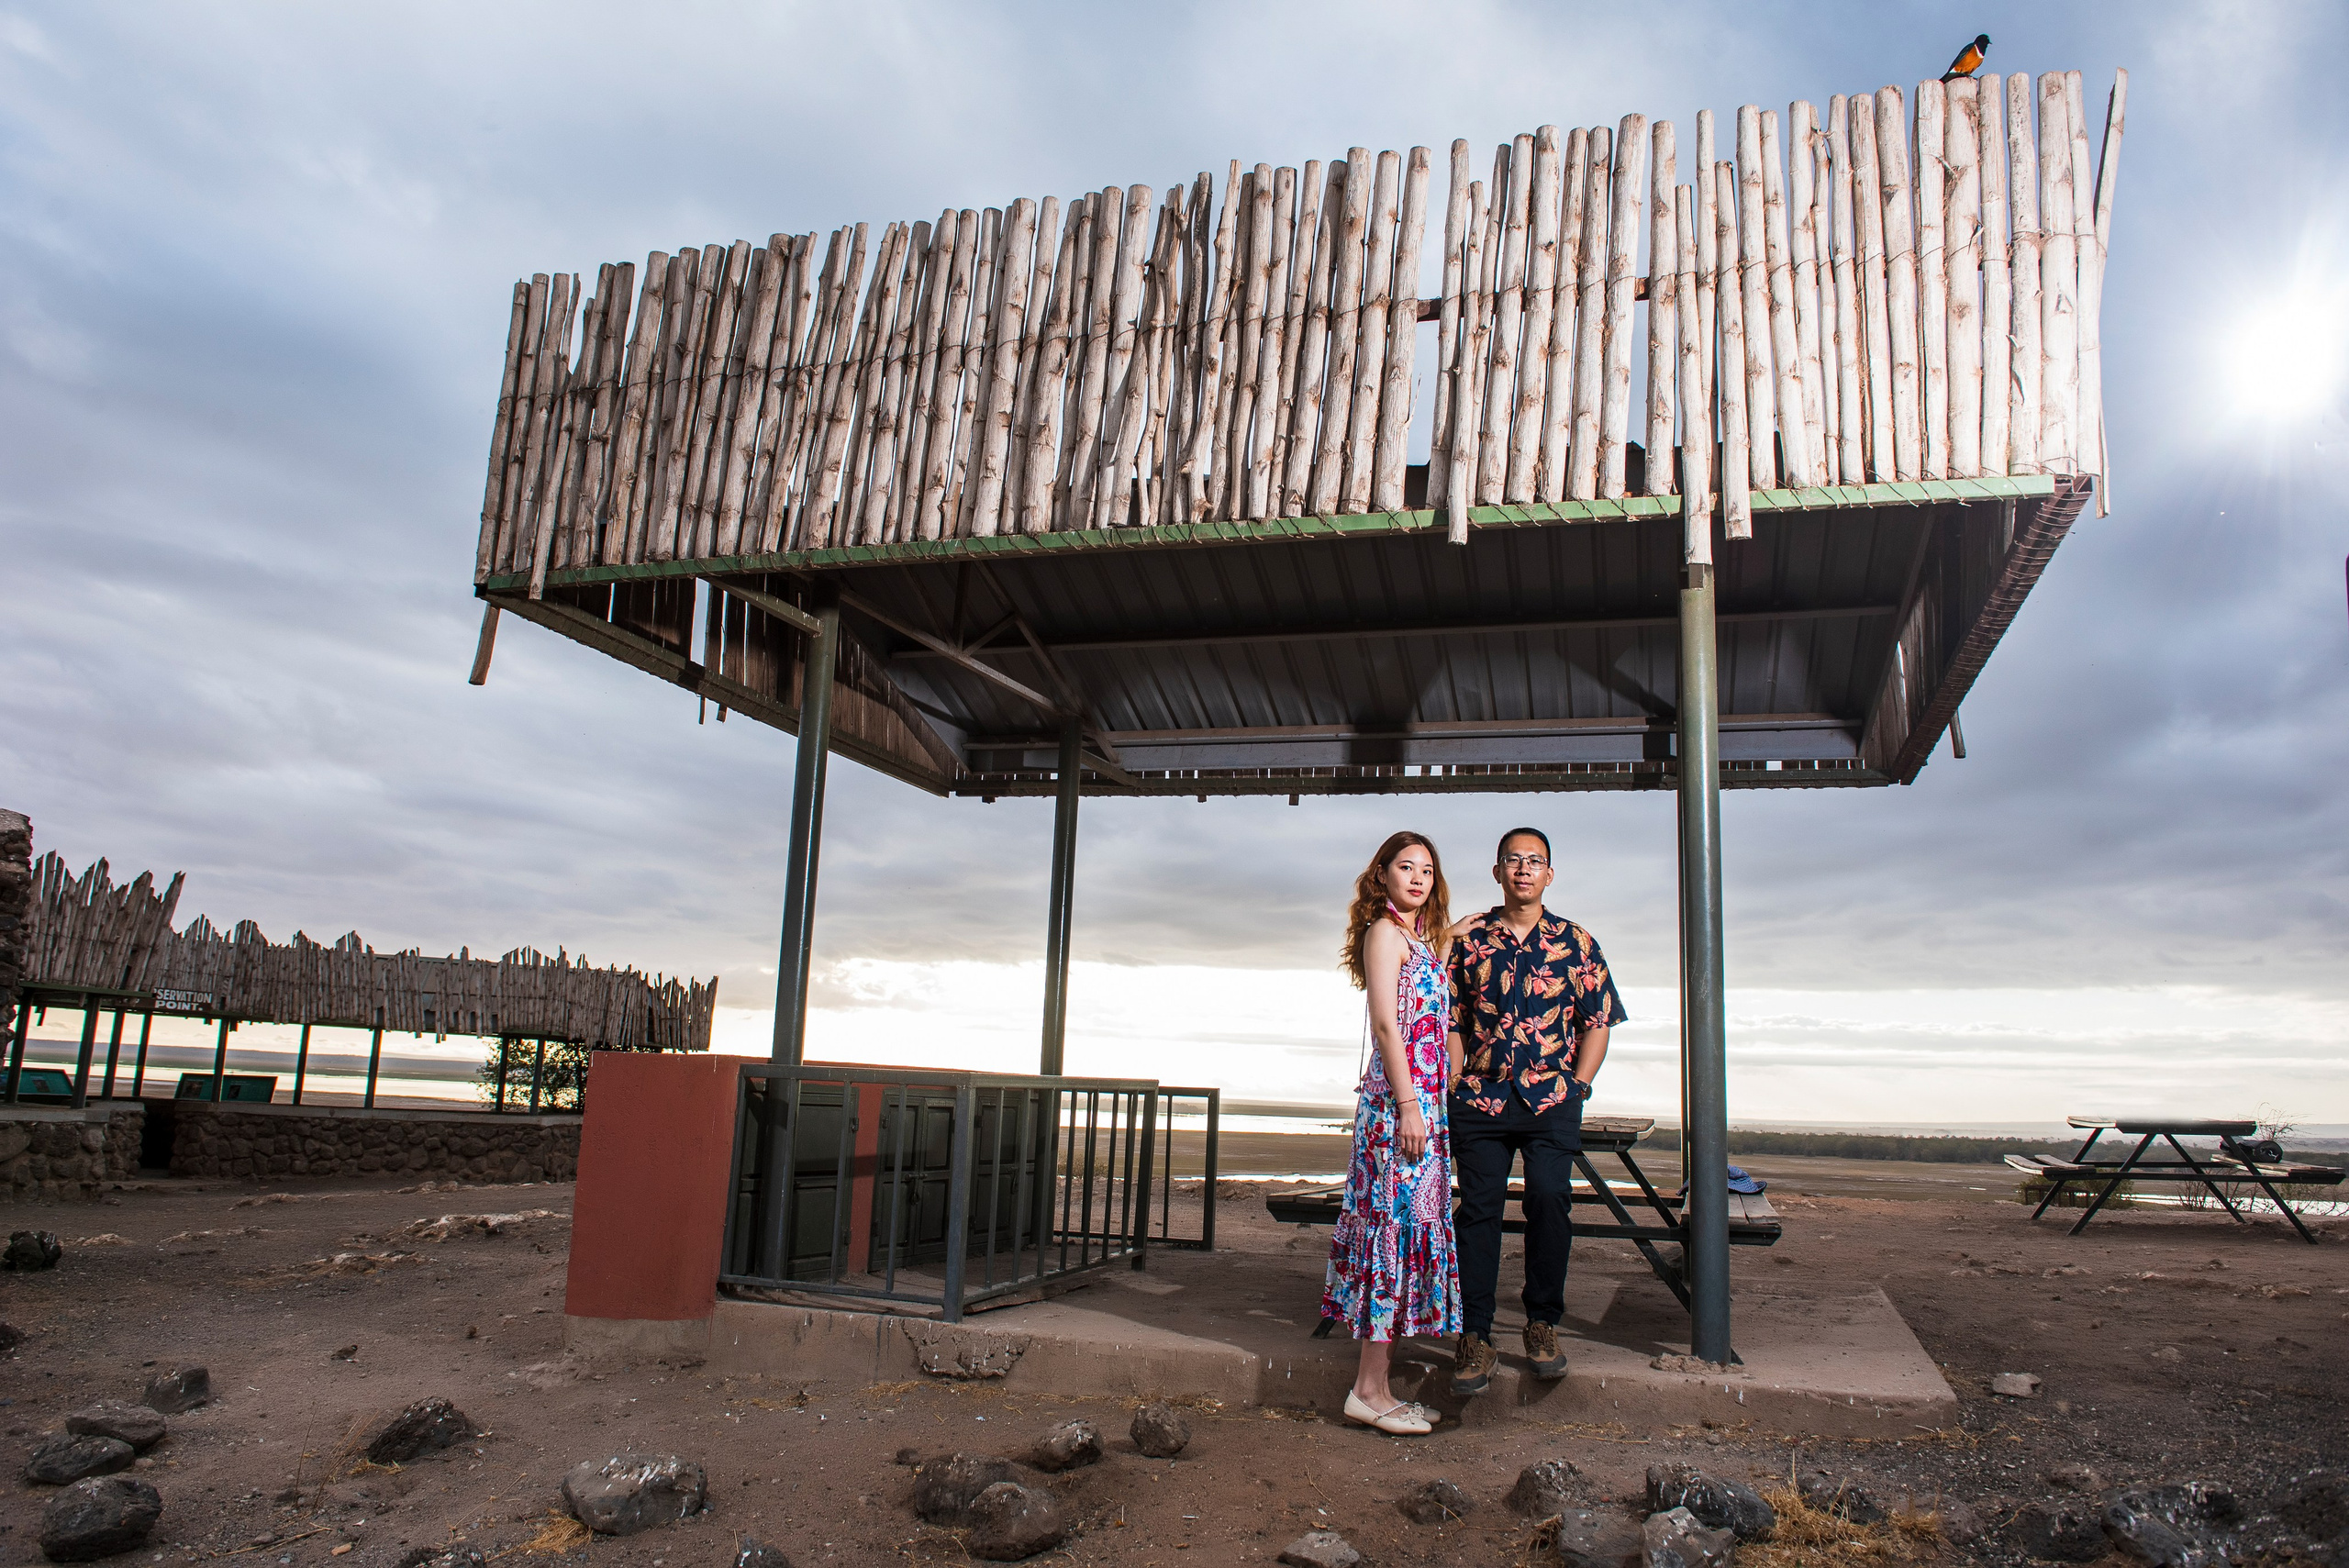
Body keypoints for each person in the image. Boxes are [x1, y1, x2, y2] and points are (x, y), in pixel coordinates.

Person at [1445, 827, 1627, 1396]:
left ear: (1550, 874)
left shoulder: (1577, 942)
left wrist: (1580, 1085)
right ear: (1497, 871)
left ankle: (1542, 1323)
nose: (1523, 868)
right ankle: (1475, 1334)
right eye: (1513, 859)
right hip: (1481, 1098)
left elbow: (1598, 1020)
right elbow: (1450, 1017)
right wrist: (1454, 1079)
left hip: (1551, 1100)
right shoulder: (1470, 938)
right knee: (1478, 1211)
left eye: (1535, 860)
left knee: (1550, 1200)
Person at [1321, 831, 1464, 1435]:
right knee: (1390, 1237)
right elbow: (1386, 1023)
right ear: (1381, 874)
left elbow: (1434, 978)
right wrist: (1408, 1105)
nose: (1418, 878)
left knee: (1408, 1236)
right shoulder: (1384, 933)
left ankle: (1379, 1388)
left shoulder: (1419, 940)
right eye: (1406, 867)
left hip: (1424, 1107)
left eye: (1427, 870)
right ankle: (1366, 1391)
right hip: (1397, 1109)